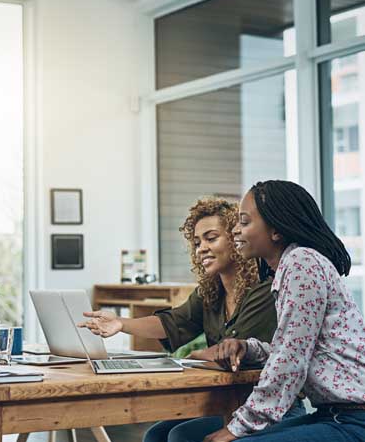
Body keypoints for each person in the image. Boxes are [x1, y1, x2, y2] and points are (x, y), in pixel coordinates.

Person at [79, 198, 303, 442]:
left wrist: (198, 355)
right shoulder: (211, 292)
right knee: (156, 434)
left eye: (211, 238)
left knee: (180, 436)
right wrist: (121, 324)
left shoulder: (264, 290)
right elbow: (173, 322)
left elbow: (227, 353)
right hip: (226, 401)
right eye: (197, 242)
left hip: (269, 406)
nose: (201, 248)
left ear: (235, 238)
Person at [202, 180, 365, 442]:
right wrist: (249, 348)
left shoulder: (302, 263)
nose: (234, 230)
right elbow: (296, 348)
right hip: (334, 415)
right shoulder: (293, 266)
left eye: (244, 222)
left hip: (354, 420)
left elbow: (290, 360)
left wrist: (238, 426)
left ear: (275, 231)